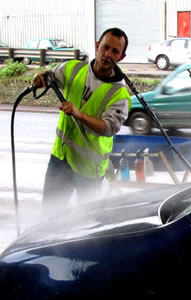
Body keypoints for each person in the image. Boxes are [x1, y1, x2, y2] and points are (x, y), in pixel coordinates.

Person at [33, 27, 131, 212]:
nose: (107, 54)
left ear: (121, 57)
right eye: (105, 47)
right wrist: (41, 77)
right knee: (49, 215)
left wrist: (79, 114)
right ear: (97, 46)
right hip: (60, 159)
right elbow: (50, 76)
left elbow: (109, 128)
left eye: (115, 51)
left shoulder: (119, 94)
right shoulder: (73, 68)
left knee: (84, 222)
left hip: (90, 169)